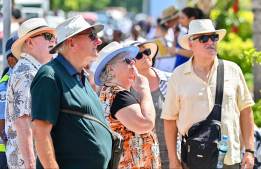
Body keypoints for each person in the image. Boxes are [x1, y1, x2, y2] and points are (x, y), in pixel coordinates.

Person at [161, 19, 255, 169]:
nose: (210, 41)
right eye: (204, 38)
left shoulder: (233, 70)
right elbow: (169, 119)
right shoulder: (178, 75)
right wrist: (173, 159)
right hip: (193, 160)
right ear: (191, 44)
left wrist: (249, 151)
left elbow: (246, 111)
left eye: (213, 37)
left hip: (229, 160)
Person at [31, 15, 112, 169]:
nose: (98, 41)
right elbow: (40, 132)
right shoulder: (50, 75)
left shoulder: (80, 76)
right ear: (71, 43)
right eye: (92, 36)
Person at [94, 41, 161, 168]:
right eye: (126, 60)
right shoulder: (118, 95)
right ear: (110, 69)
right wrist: (144, 89)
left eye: (132, 59)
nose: (133, 62)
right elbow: (146, 123)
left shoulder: (111, 92)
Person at [5, 18, 55, 168]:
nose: (52, 39)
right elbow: (23, 123)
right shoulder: (28, 73)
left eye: (52, 35)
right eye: (47, 36)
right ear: (30, 42)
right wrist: (31, 165)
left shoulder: (29, 69)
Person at [127, 41, 180, 169]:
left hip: (172, 156)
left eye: (147, 52)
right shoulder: (127, 88)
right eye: (139, 55)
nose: (145, 56)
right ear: (130, 62)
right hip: (141, 160)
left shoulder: (170, 80)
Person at [0, 35, 19, 169]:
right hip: (6, 154)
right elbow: (1, 123)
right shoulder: (5, 85)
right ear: (12, 60)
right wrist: (12, 154)